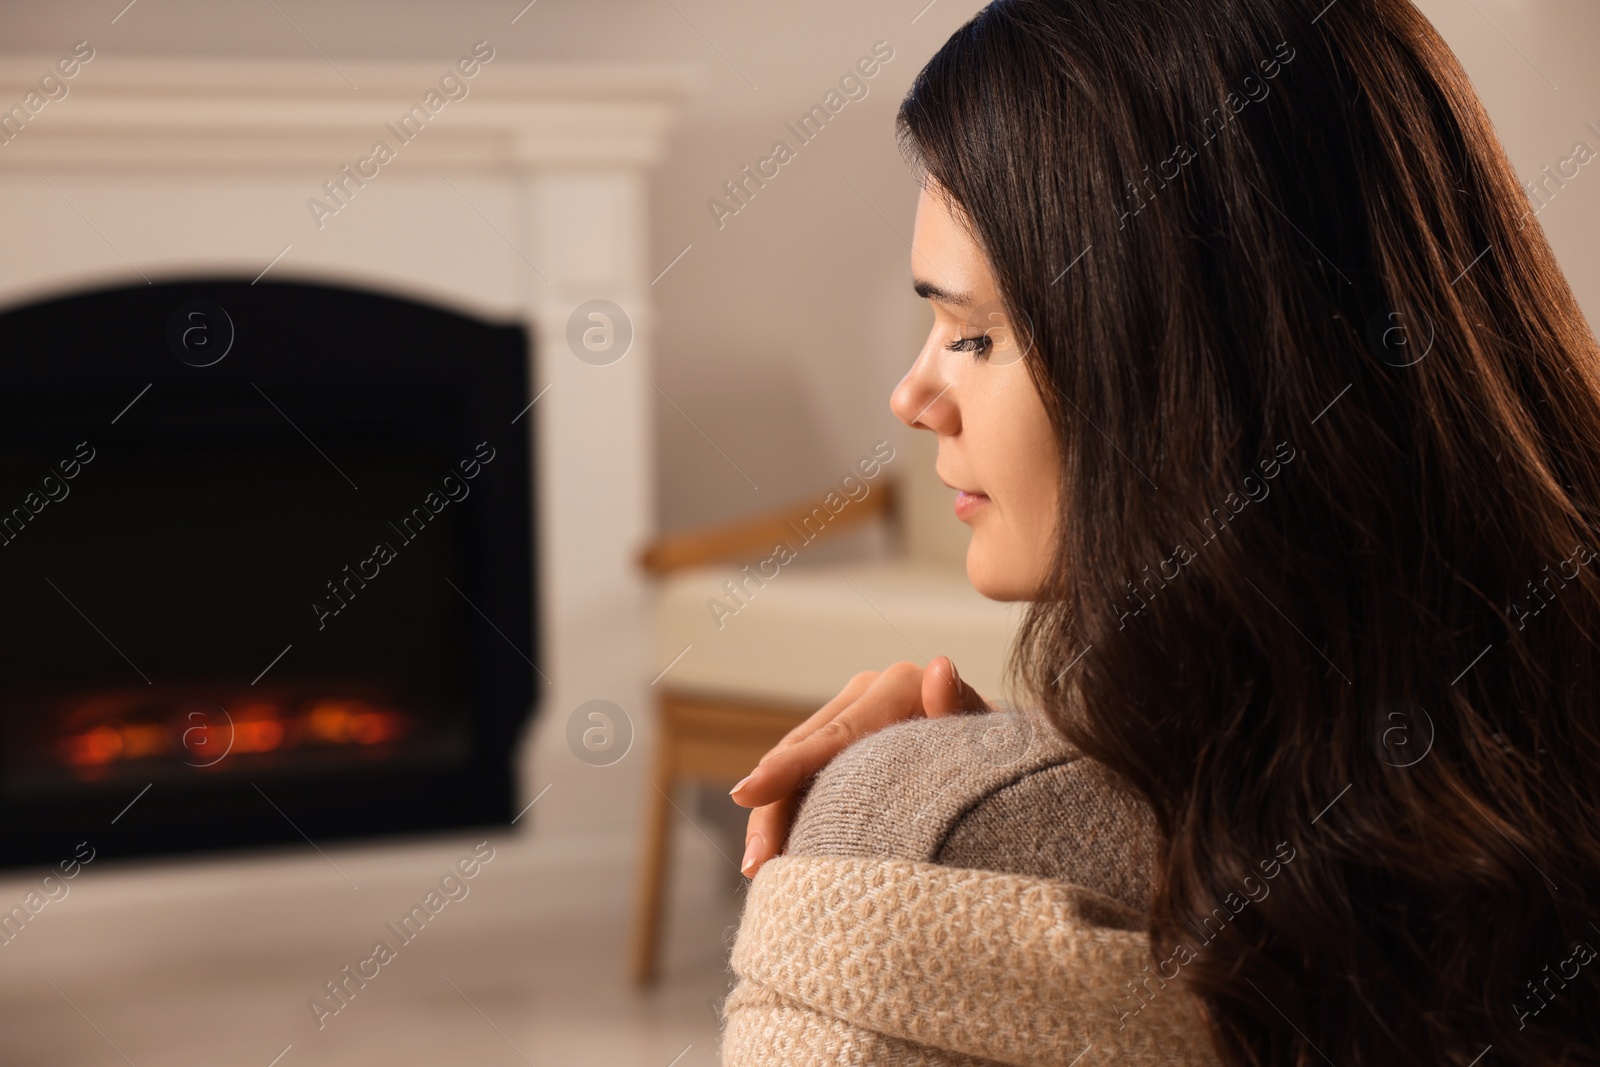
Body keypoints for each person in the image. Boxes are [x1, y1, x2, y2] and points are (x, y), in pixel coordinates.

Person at [728, 0, 1600, 1064]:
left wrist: (924, 807)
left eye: (972, 334)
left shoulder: (914, 846)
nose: (914, 393)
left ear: (1185, 367)